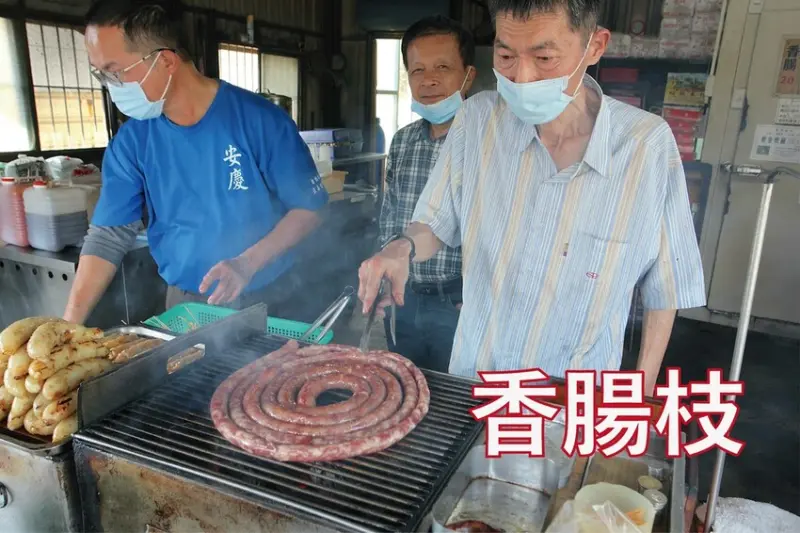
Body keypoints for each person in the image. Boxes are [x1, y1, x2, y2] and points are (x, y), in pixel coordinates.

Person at [359, 0, 706, 395]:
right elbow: (435, 222)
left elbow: (667, 286)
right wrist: (400, 248)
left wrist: (641, 396)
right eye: (506, 55)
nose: (522, 77)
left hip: (575, 395)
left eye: (543, 57)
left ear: (594, 46)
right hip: (478, 383)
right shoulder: (477, 122)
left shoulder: (646, 146)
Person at [63, 0, 328, 325]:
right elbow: (109, 234)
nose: (108, 85)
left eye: (114, 71)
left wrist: (246, 264)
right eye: (100, 73)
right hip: (186, 302)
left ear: (165, 61)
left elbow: (309, 210)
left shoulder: (259, 120)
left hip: (268, 294)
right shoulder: (132, 140)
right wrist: (67, 326)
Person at [378, 16, 476, 373]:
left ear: (469, 75)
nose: (429, 80)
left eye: (442, 67)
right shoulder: (402, 141)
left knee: (458, 401)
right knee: (403, 389)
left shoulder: (490, 143)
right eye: (417, 70)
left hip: (458, 302)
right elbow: (390, 214)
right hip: (404, 297)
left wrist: (480, 296)